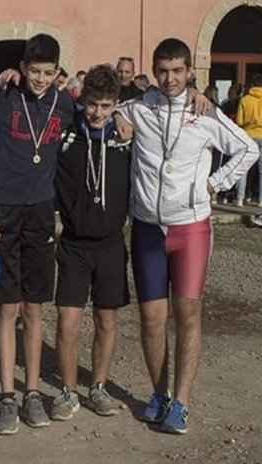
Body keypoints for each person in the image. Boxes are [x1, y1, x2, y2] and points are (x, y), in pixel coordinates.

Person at [117, 38, 259, 434]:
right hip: (147, 226)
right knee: (150, 319)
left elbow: (248, 149)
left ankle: (181, 402)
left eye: (177, 71)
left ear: (189, 72)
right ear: (153, 69)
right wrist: (115, 117)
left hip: (191, 228)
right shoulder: (138, 106)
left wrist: (215, 184)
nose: (169, 78)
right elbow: (97, 105)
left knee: (188, 316)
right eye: (162, 70)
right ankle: (158, 394)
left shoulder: (205, 111)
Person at [0, 34, 75, 434]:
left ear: (57, 72)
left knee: (34, 308)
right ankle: (7, 397)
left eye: (48, 73)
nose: (40, 80)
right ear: (22, 68)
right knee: (7, 307)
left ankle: (31, 393)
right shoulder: (2, 96)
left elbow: (103, 108)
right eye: (34, 71)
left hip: (42, 212)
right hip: (5, 212)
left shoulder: (66, 103)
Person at [51, 64, 131, 421]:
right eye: (92, 104)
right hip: (74, 244)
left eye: (106, 105)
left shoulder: (126, 138)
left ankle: (97, 387)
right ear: (82, 101)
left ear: (115, 104)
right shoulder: (67, 136)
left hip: (111, 243)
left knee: (106, 321)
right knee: (67, 322)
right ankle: (68, 392)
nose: (98, 113)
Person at [235, 74, 262, 207]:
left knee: (243, 168)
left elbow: (239, 121)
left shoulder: (245, 100)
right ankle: (261, 200)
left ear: (252, 85)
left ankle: (240, 198)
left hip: (248, 135)